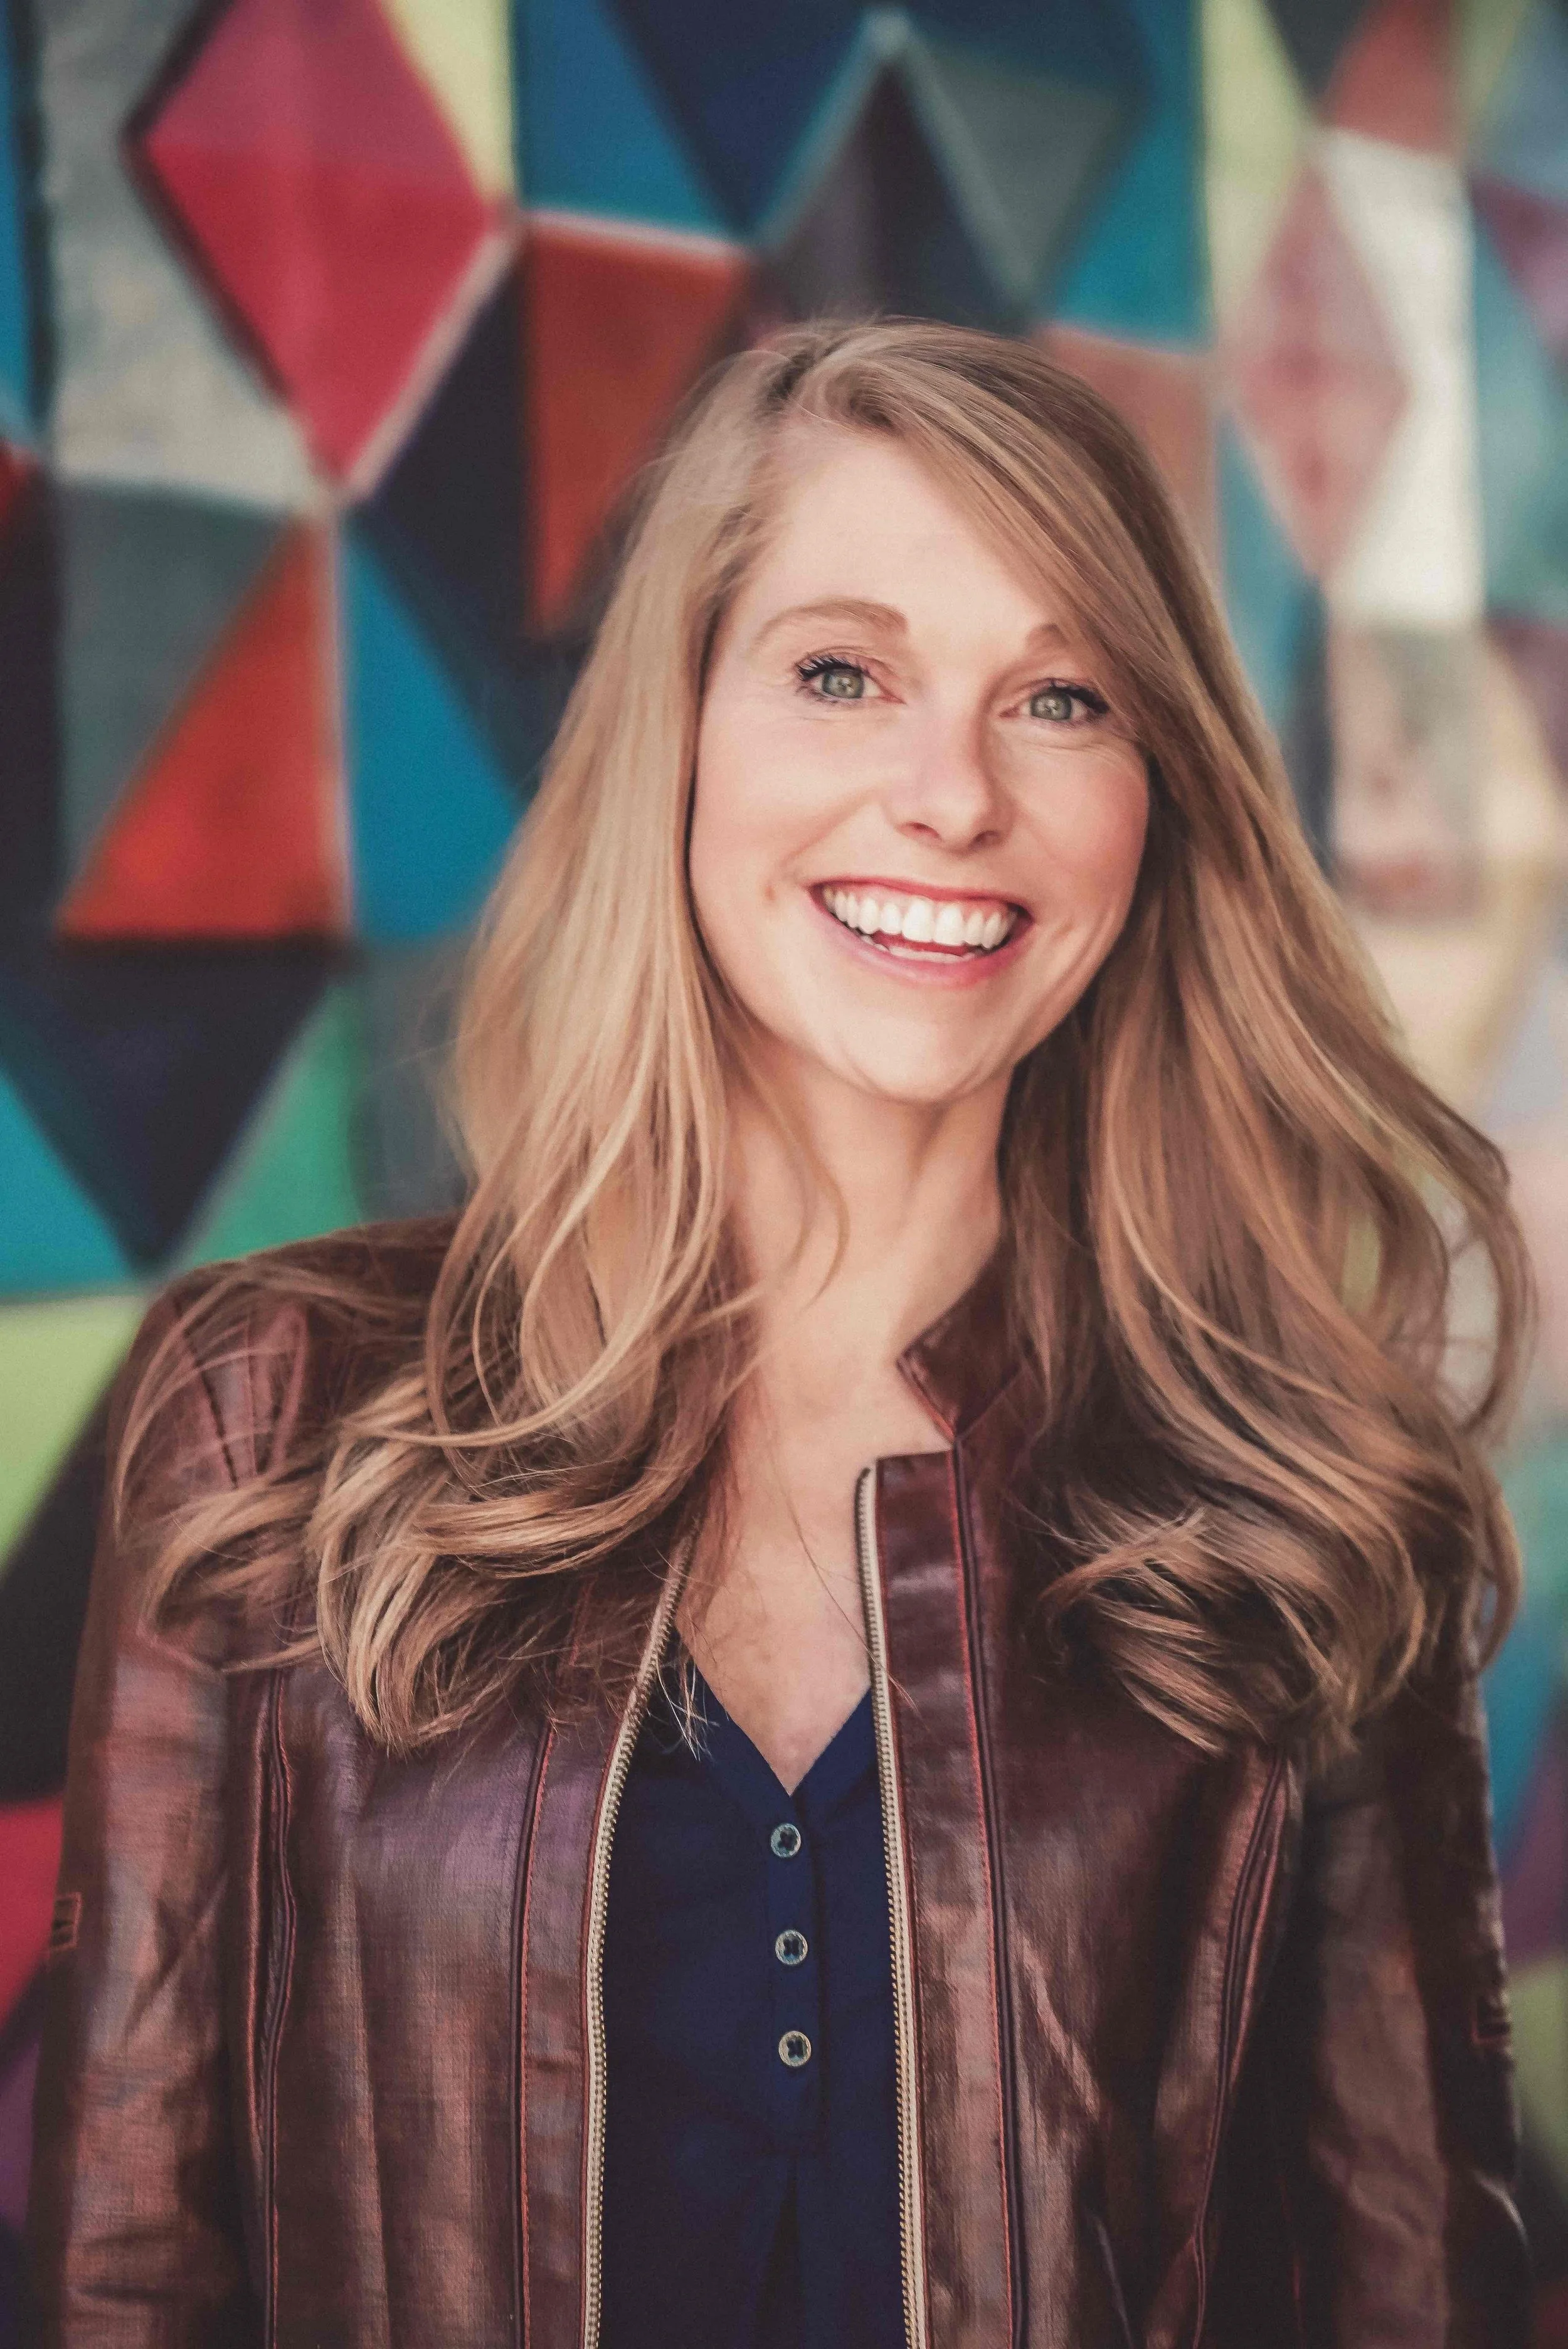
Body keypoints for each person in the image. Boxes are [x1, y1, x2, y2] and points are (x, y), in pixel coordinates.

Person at [29, 320, 1532, 2346]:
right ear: (682, 735)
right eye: (842, 674)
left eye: (1060, 699)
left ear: (1151, 802)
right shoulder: (271, 1415)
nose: (950, 796)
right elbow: (127, 2270)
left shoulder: (1297, 1496)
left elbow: (1412, 2297)